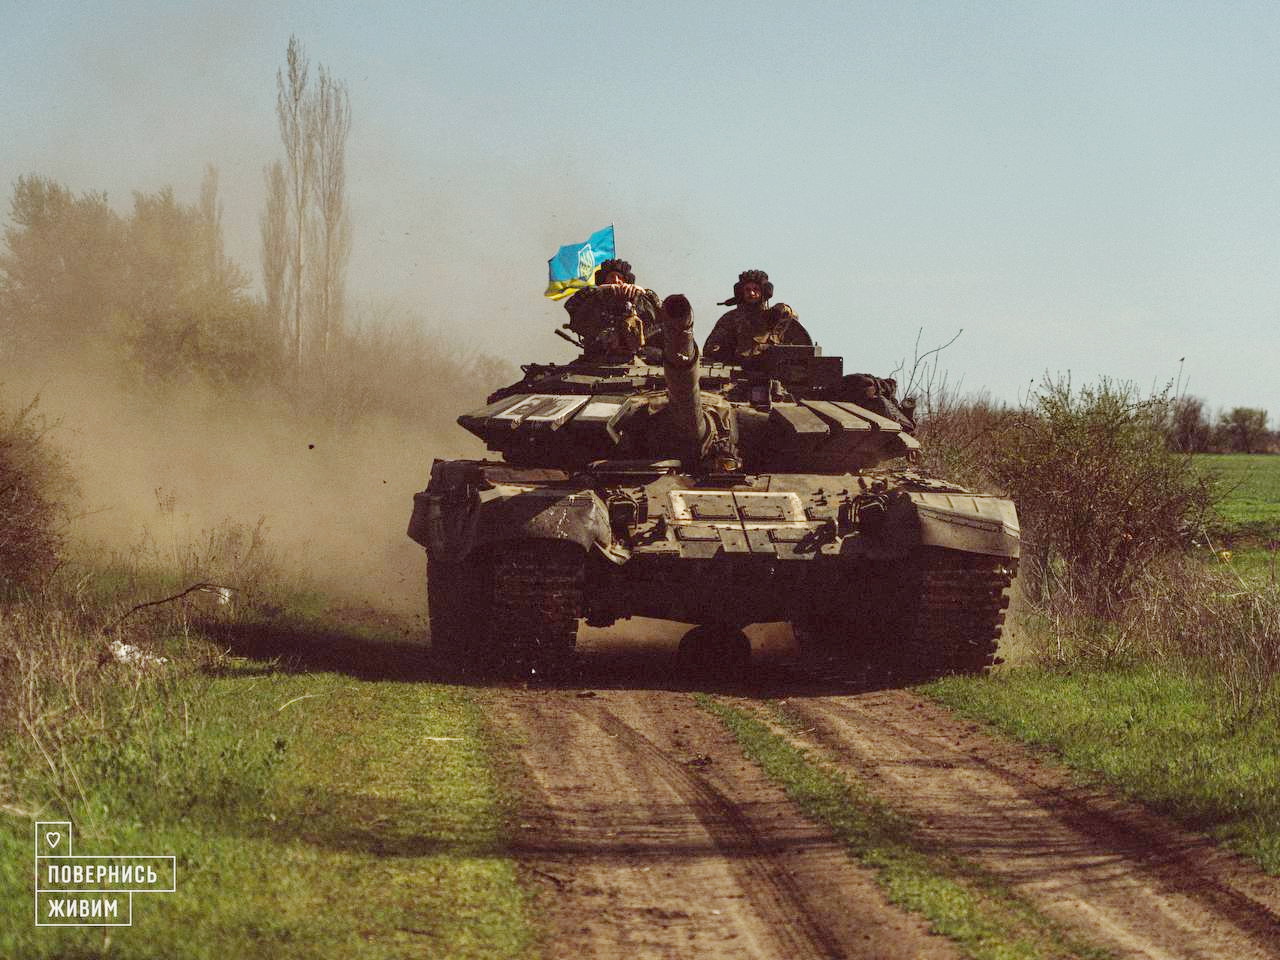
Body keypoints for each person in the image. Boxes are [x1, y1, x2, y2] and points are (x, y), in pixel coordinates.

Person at [702, 269, 812, 364]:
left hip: (772, 374)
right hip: (738, 373)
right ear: (741, 293)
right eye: (748, 290)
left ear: (764, 292)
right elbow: (710, 348)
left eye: (756, 289)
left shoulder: (775, 316)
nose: (752, 293)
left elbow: (796, 330)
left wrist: (784, 309)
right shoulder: (730, 319)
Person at [563, 258, 662, 358]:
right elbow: (572, 306)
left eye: (620, 277)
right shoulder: (594, 300)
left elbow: (662, 312)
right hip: (600, 355)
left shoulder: (640, 300)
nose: (616, 280)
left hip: (641, 356)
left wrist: (643, 291)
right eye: (611, 277)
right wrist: (599, 289)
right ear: (604, 280)